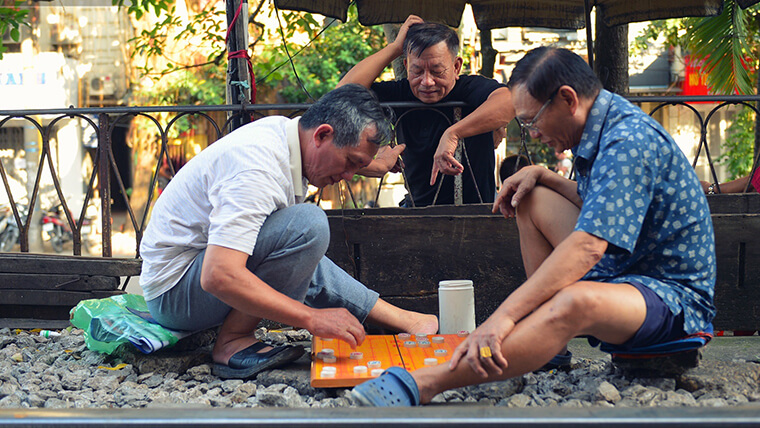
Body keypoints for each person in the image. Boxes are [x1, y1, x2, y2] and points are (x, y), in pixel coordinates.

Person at [351, 47, 716, 406]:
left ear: (567, 99)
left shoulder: (627, 140)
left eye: (531, 120)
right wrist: (544, 175)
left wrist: (503, 318)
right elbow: (603, 206)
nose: (533, 133)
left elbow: (589, 247)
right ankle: (546, 346)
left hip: (673, 304)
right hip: (630, 274)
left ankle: (430, 381)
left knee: (574, 300)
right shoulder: (605, 124)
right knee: (528, 194)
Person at [139, 84, 438, 380]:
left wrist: (363, 163)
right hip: (175, 294)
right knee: (308, 225)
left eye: (357, 167)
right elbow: (218, 274)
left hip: (188, 277)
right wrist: (312, 319)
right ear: (322, 134)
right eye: (350, 163)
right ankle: (232, 342)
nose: (348, 176)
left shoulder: (287, 135)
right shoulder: (257, 168)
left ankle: (403, 320)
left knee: (301, 243)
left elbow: (290, 259)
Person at [338, 15, 513, 206]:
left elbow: (510, 101)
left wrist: (453, 134)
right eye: (417, 71)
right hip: (417, 212)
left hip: (475, 213)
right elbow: (341, 97)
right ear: (406, 66)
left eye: (437, 71)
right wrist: (395, 48)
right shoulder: (401, 92)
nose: (427, 82)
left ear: (456, 67)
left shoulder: (469, 88)